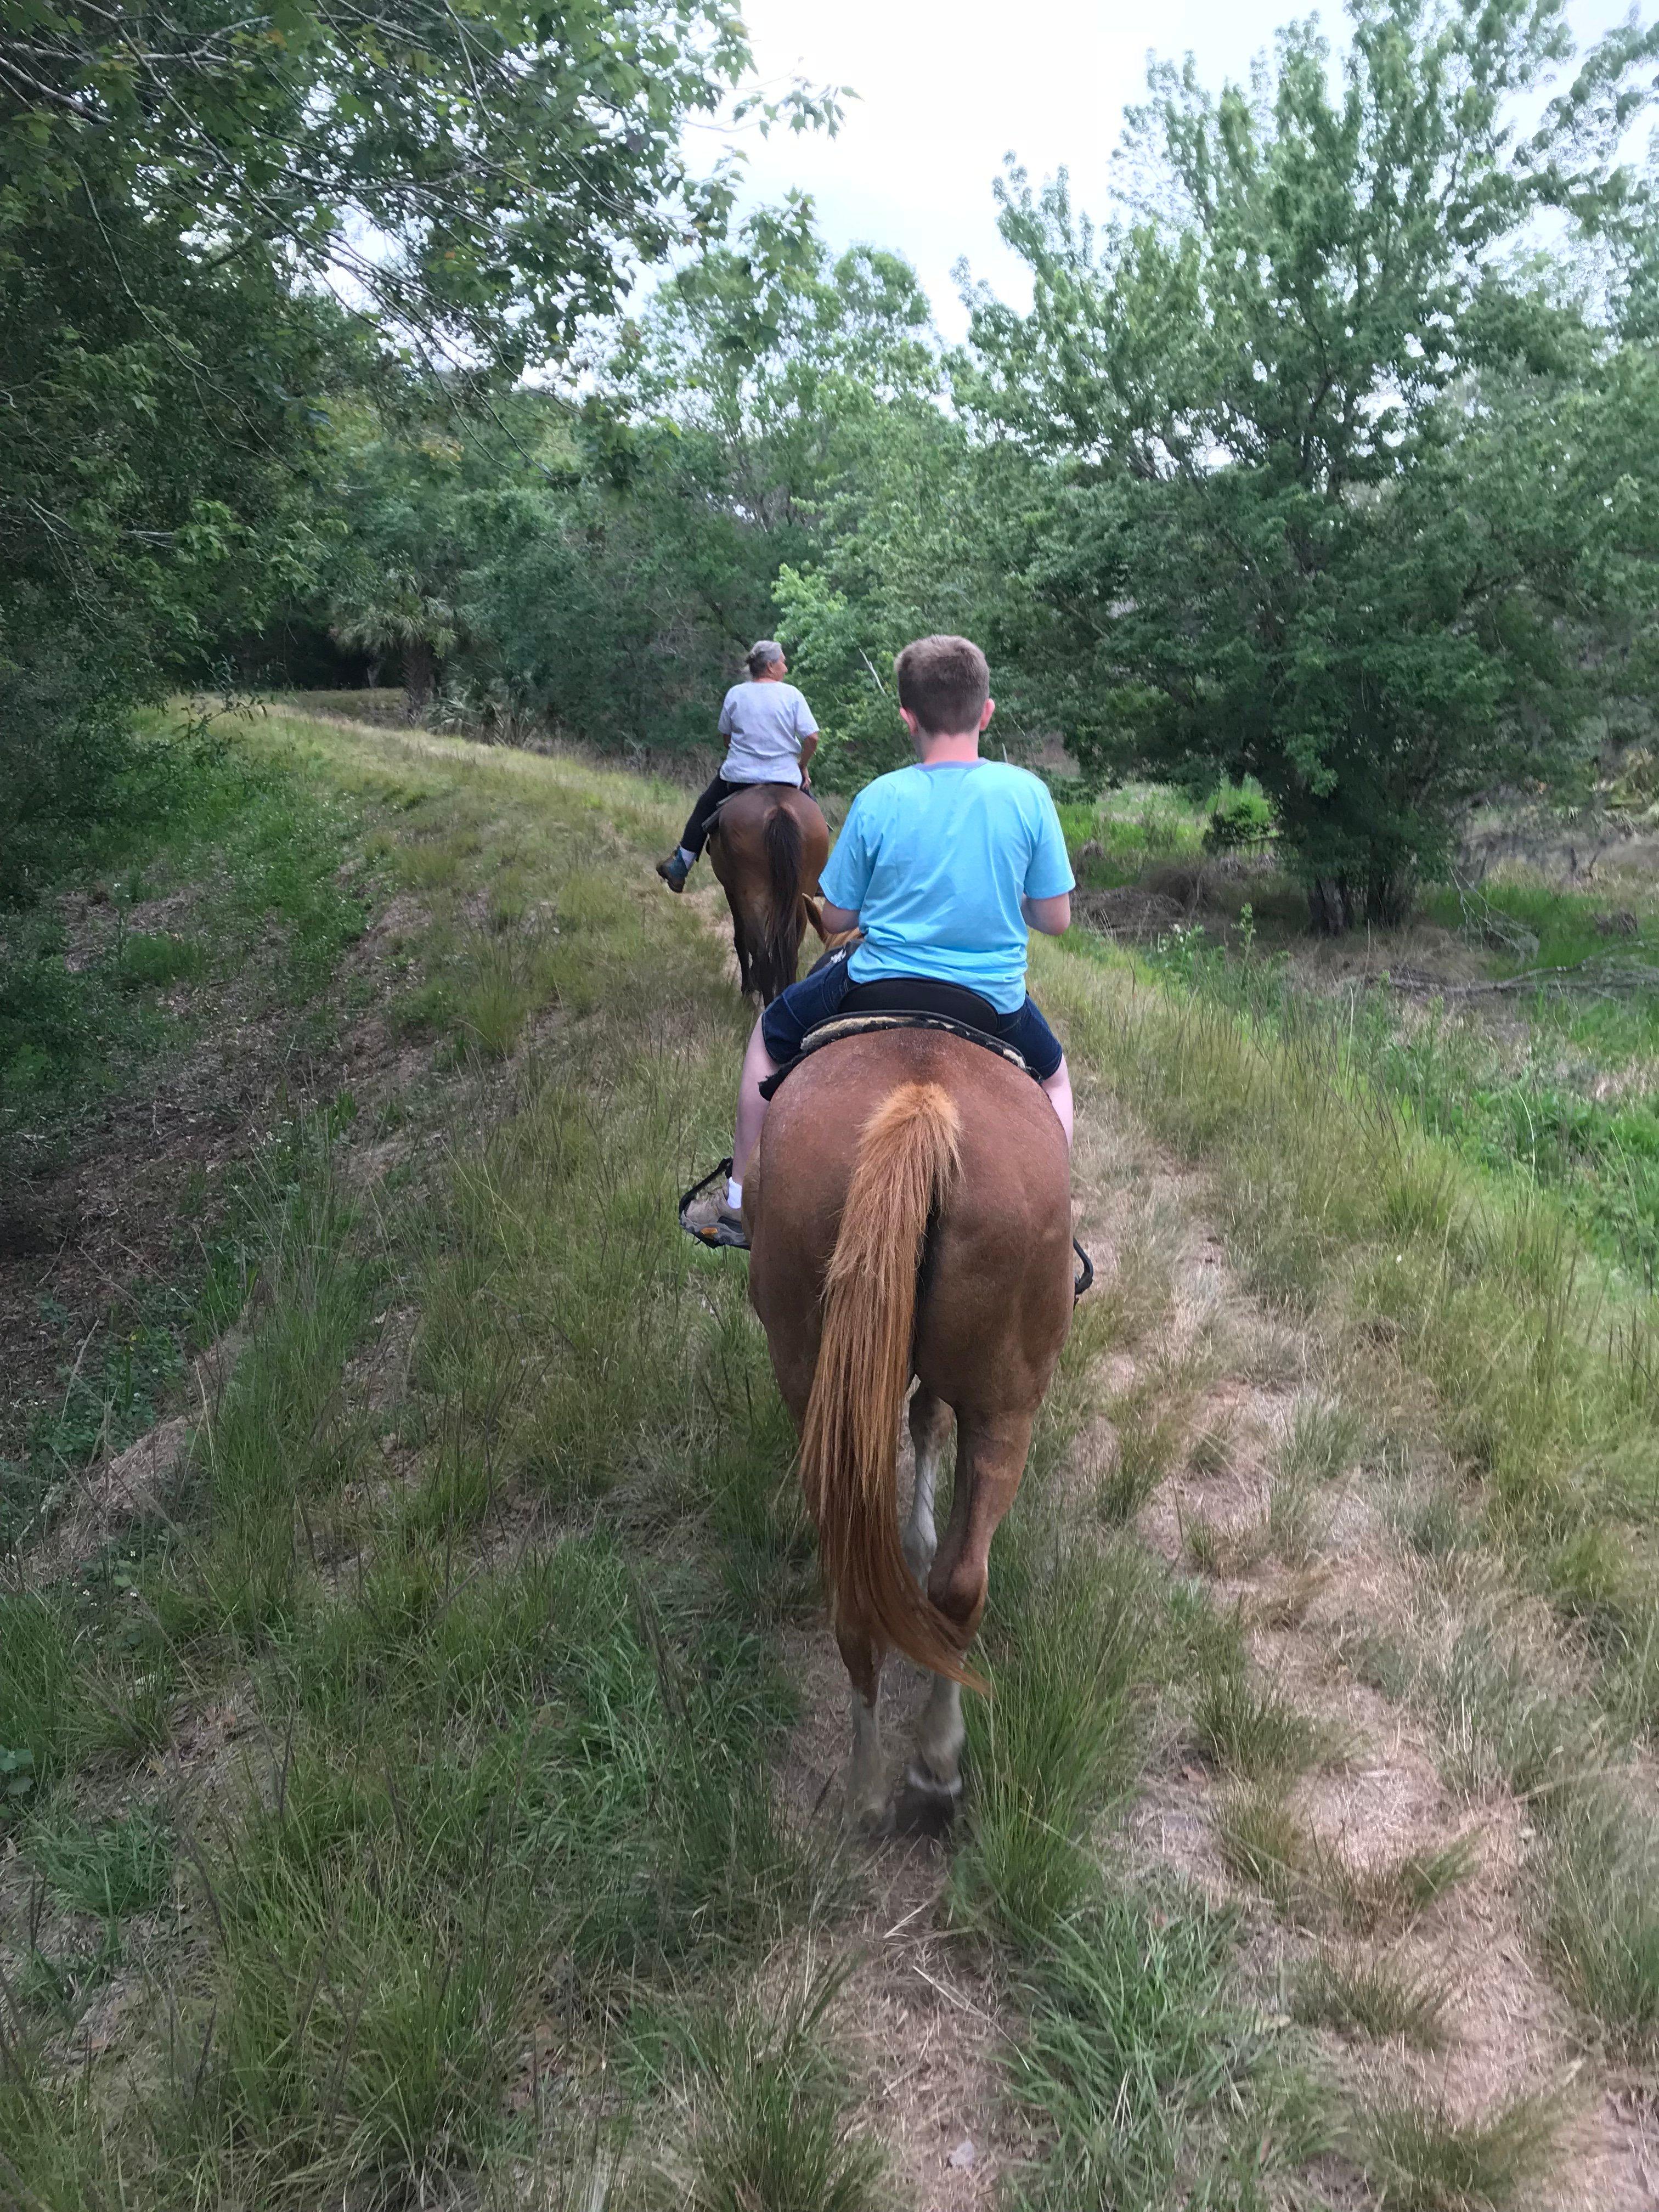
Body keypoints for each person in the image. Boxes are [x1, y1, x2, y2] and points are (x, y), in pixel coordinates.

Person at [690, 633, 1075, 1248]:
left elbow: (838, 914)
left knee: (766, 1040)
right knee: (1054, 1081)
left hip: (875, 982)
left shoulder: (880, 797)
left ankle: (737, 1201)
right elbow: (1055, 918)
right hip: (993, 1000)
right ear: (986, 712)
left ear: (906, 718)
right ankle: (1056, 1228)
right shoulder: (1027, 793)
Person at [657, 640, 820, 890]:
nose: (786, 668)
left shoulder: (736, 693)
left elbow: (727, 738)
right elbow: (812, 738)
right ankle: (822, 878)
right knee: (815, 818)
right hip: (785, 777)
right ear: (770, 666)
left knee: (704, 808)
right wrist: (802, 765)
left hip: (739, 777)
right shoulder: (793, 695)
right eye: (783, 662)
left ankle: (681, 866)